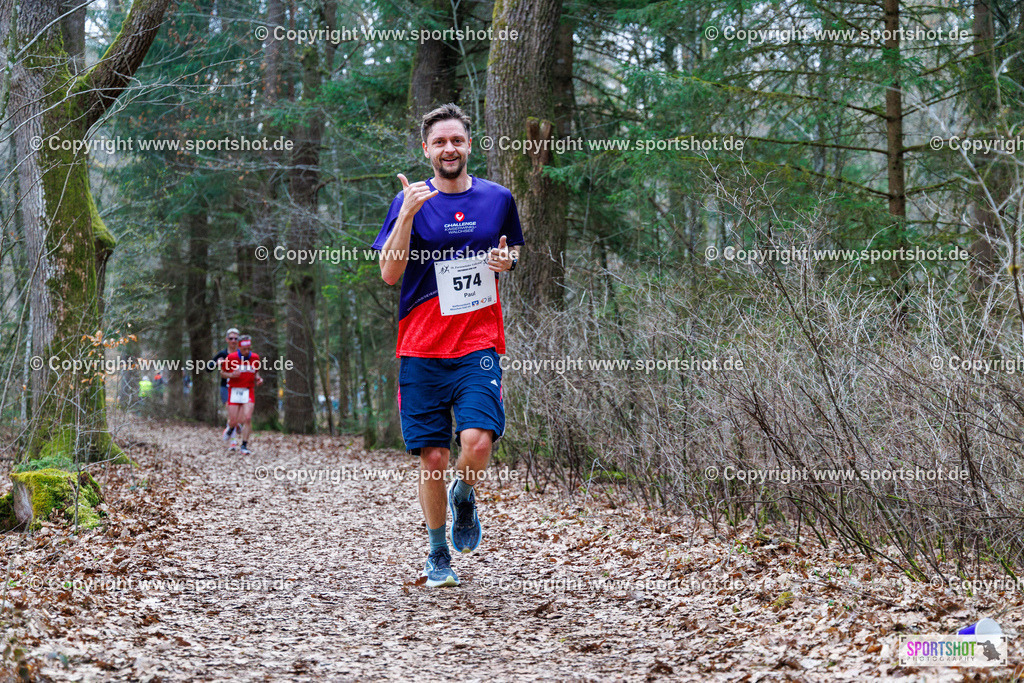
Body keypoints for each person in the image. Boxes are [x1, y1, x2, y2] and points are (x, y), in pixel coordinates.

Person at [374, 103, 524, 588]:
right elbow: (390, 273)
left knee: (477, 443)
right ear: (426, 150)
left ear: (469, 145)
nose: (449, 149)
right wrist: (408, 215)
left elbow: (512, 249)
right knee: (433, 457)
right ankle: (438, 551)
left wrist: (507, 261)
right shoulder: (410, 200)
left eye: (456, 140)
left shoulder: (498, 198)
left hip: (478, 341)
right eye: (439, 142)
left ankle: (464, 495)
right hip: (421, 346)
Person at [221, 335, 263, 455]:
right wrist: (231, 375)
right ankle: (231, 428)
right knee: (234, 420)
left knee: (247, 418)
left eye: (249, 349)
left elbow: (255, 373)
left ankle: (244, 446)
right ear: (239, 347)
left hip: (248, 390)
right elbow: (222, 373)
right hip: (234, 390)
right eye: (245, 349)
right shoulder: (231, 358)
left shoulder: (255, 358)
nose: (247, 351)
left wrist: (258, 379)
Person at [210, 328, 240, 441]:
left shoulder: (242, 354)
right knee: (232, 415)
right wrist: (217, 363)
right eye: (231, 338)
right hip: (225, 388)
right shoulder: (222, 354)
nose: (233, 341)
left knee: (236, 416)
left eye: (236, 339)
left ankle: (231, 428)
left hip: (240, 388)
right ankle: (233, 442)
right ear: (227, 339)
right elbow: (208, 368)